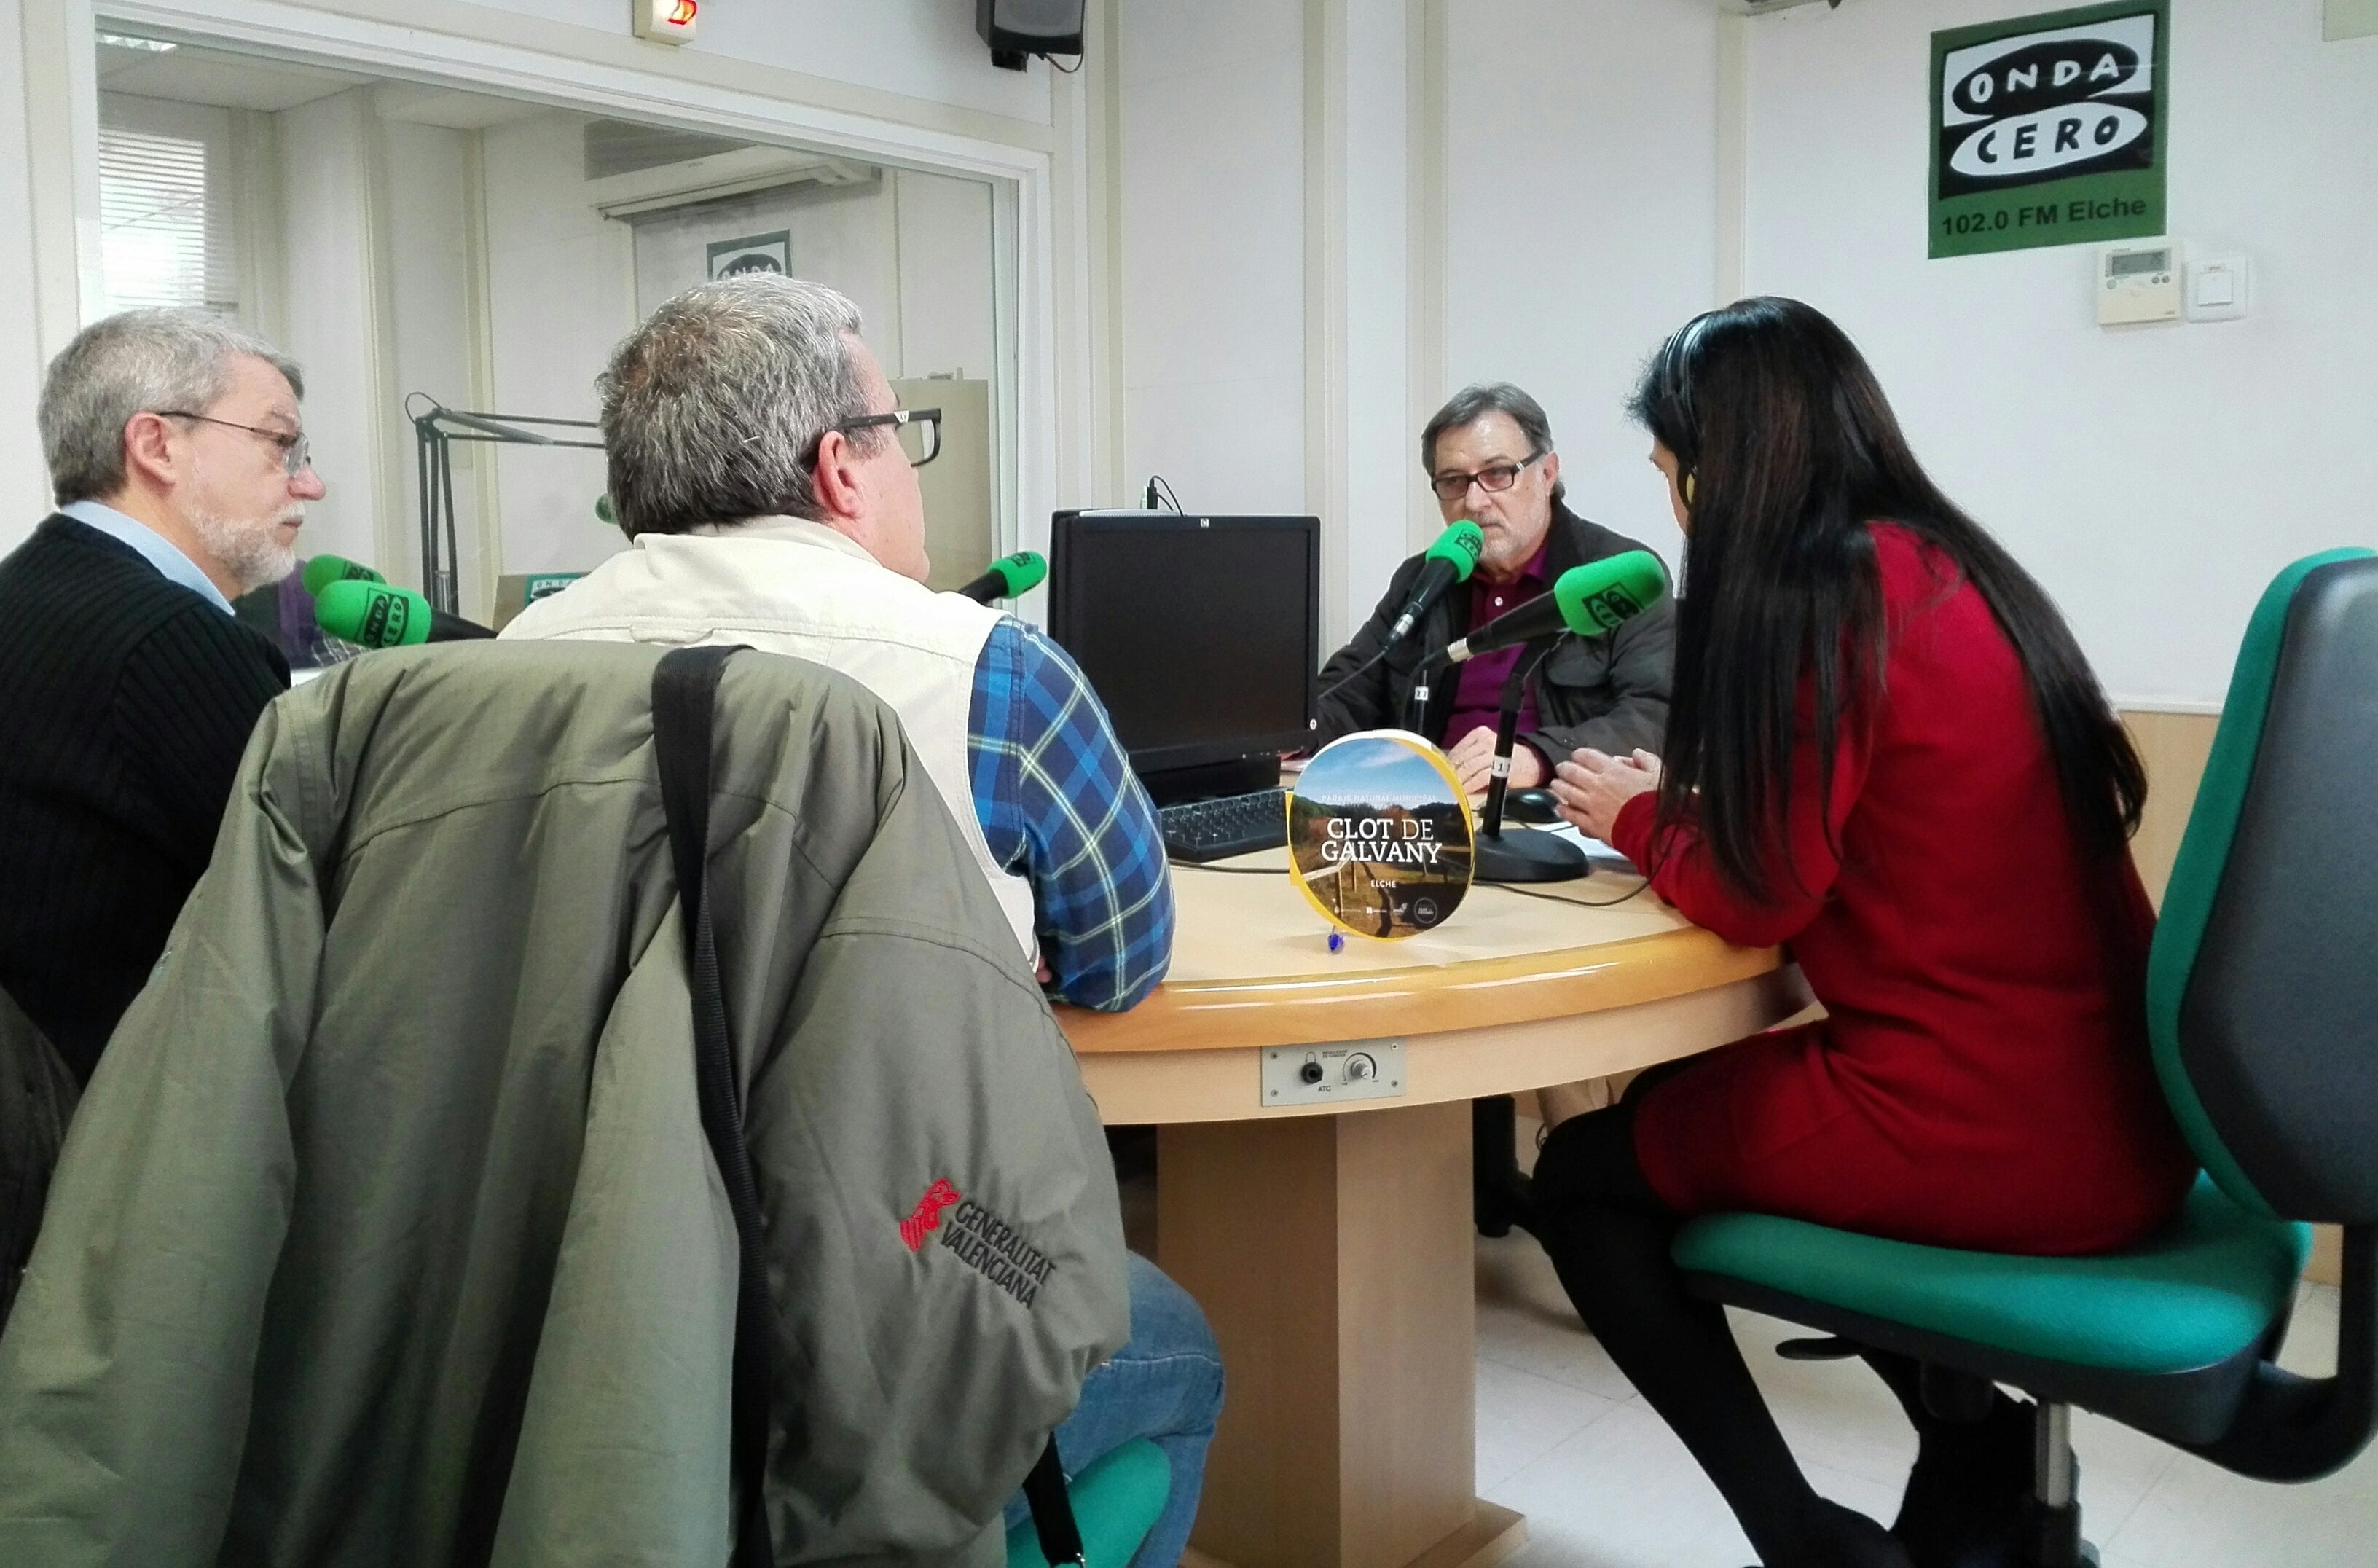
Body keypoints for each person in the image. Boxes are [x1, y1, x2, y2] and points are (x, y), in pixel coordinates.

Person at [503, 275, 1220, 1567]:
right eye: (902, 433)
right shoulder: (989, 670)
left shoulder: (505, 662)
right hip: (920, 1231)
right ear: (840, 465)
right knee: (1170, 1338)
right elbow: (1120, 963)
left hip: (571, 1285)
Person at [1536, 297, 2195, 1568]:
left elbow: (1760, 898)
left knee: (1581, 1181)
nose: (1676, 515)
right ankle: (1967, 1438)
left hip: (1995, 1126)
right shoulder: (1940, 562)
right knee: (1678, 1100)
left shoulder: (1821, 591)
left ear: (1722, 468)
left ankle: (1804, 1540)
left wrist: (1630, 819)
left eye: (1674, 478)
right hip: (2117, 1102)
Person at [1314, 383, 1677, 1239]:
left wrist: (1537, 754)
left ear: (1548, 472)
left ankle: (1592, 1210)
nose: (1476, 501)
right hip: (1422, 835)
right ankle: (1389, 1208)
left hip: (1553, 842)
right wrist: (1288, 732)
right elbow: (1348, 686)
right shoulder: (1430, 577)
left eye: (1499, 473)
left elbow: (1661, 709)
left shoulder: (1619, 579)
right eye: (1452, 483)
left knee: (1547, 1005)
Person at [0, 309, 321, 1086]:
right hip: (107, 1138)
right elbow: (322, 914)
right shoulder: (167, 641)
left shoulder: (27, 589)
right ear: (156, 446)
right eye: (281, 444)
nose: (307, 481)